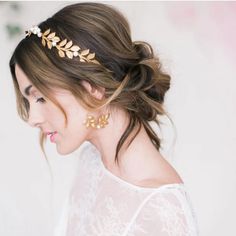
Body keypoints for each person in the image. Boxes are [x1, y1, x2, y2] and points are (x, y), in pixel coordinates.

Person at [9, 2, 199, 236]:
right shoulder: (92, 160)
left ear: (93, 88)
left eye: (39, 98)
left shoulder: (160, 211)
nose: (32, 119)